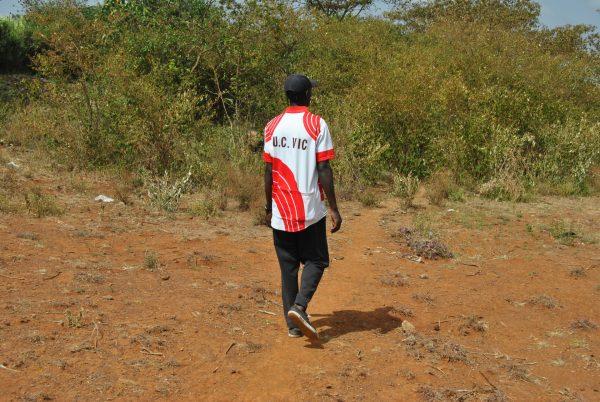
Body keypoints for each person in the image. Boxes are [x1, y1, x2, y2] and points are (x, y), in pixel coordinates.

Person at [263, 74, 342, 340]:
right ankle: (299, 307)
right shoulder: (317, 125)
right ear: (307, 95)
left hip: (281, 209)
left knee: (288, 268)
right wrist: (333, 207)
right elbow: (323, 167)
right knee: (317, 260)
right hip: (308, 209)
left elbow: (269, 171)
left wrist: (268, 207)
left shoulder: (272, 126)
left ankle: (293, 326)